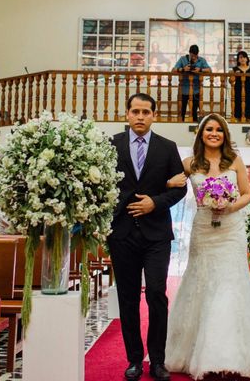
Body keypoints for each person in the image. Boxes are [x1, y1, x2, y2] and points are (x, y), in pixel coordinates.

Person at [165, 113, 250, 380]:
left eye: (219, 129)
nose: (214, 133)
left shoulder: (235, 161)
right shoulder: (190, 164)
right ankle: (197, 352)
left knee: (230, 285)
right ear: (201, 133)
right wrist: (171, 182)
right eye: (209, 129)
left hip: (230, 231)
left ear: (225, 134)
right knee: (202, 284)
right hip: (204, 230)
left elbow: (247, 195)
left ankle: (230, 355)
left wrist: (229, 206)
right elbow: (169, 182)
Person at [108, 93, 187, 381]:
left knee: (156, 294)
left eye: (146, 112)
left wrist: (154, 202)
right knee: (127, 298)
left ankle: (157, 360)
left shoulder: (167, 148)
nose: (140, 116)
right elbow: (101, 185)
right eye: (135, 111)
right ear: (127, 114)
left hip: (156, 235)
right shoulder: (110, 145)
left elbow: (180, 189)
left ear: (154, 115)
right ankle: (133, 360)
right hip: (122, 234)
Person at [171, 45, 211, 122]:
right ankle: (180, 126)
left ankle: (195, 127)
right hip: (184, 89)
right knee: (182, 111)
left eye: (195, 56)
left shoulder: (201, 60)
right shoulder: (183, 59)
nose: (193, 58)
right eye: (192, 55)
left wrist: (200, 70)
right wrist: (183, 69)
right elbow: (173, 70)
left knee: (194, 111)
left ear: (198, 54)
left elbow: (209, 70)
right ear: (189, 53)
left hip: (196, 89)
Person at [230, 50, 250, 121]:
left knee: (248, 106)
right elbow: (230, 81)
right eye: (240, 57)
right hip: (238, 90)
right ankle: (238, 120)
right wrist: (232, 74)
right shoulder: (235, 69)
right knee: (238, 106)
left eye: (244, 57)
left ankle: (247, 120)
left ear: (247, 59)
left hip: (248, 90)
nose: (242, 59)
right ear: (238, 59)